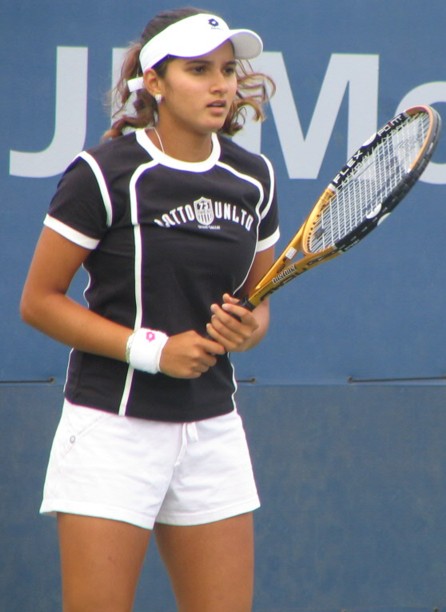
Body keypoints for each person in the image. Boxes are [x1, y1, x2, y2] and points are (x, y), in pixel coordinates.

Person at [21, 6, 279, 611]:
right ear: (154, 83)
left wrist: (248, 329)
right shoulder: (103, 173)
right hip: (113, 429)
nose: (220, 85)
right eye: (197, 70)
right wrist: (154, 351)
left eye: (226, 70)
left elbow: (260, 303)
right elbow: (38, 302)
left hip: (213, 430)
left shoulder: (254, 177)